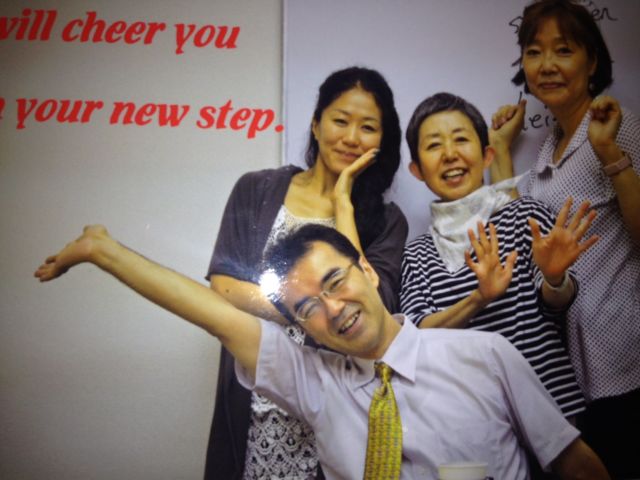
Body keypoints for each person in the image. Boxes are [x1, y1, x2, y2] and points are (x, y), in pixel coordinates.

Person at [34, 223, 611, 480]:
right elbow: (212, 313)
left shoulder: (485, 355)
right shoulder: (312, 381)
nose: (333, 309)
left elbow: (576, 465)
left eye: (336, 281)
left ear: (366, 270)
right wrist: (104, 253)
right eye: (308, 307)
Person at [205, 67, 407, 479]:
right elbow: (224, 287)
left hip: (340, 408)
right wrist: (306, 311)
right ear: (316, 124)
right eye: (340, 121)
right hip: (256, 401)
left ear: (381, 142)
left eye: (368, 128)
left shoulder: (387, 221)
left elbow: (376, 312)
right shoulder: (257, 190)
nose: (351, 138)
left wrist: (343, 203)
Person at [489, 1, 640, 475]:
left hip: (622, 358)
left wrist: (610, 152)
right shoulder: (547, 149)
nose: (547, 65)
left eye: (564, 50)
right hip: (566, 368)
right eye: (534, 52)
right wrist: (500, 151)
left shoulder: (621, 129)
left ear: (592, 61)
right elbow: (519, 232)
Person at [400, 92, 595, 422]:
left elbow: (558, 303)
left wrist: (554, 278)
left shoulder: (525, 217)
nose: (450, 154)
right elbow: (418, 335)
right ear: (417, 170)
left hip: (552, 411)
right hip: (473, 424)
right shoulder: (415, 254)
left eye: (461, 139)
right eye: (434, 145)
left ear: (487, 154)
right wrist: (479, 298)